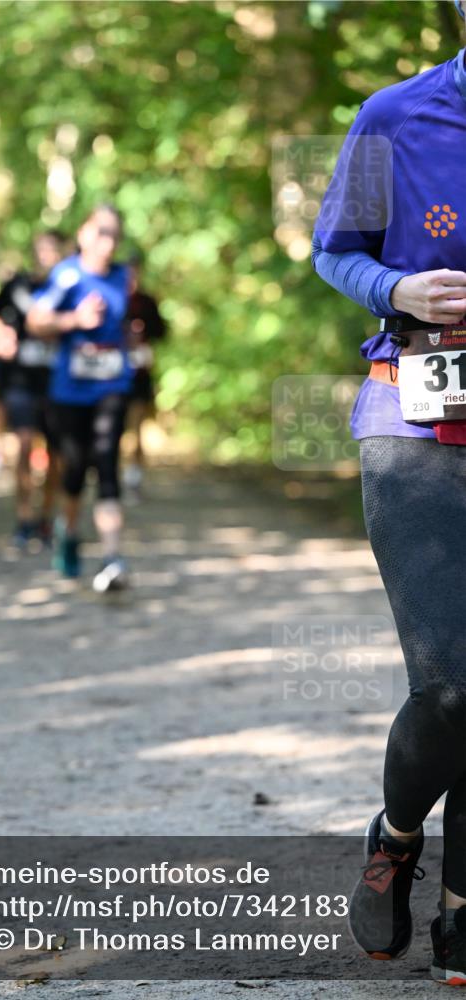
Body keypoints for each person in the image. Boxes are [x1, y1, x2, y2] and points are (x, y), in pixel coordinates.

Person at [312, 7, 466, 985]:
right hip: (414, 421)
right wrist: (396, 290)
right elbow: (334, 249)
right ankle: (396, 834)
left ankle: (461, 910)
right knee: (451, 685)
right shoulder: (392, 116)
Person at [26, 204, 133, 592]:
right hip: (70, 391)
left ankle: (111, 557)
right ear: (84, 233)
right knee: (74, 468)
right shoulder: (67, 274)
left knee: (106, 462)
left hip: (112, 385)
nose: (108, 242)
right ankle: (68, 532)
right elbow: (35, 321)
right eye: (102, 232)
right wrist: (74, 320)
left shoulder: (123, 276)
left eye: (115, 235)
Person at [0, 232, 64, 548]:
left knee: (57, 455)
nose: (46, 255)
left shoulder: (69, 287)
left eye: (53, 249)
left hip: (58, 383)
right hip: (19, 381)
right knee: (25, 444)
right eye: (41, 249)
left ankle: (46, 519)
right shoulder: (17, 285)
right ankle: (24, 519)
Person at [123, 251, 167, 501]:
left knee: (137, 426)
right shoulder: (112, 299)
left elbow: (162, 332)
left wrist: (143, 332)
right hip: (113, 375)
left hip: (139, 374)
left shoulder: (147, 302)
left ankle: (134, 477)